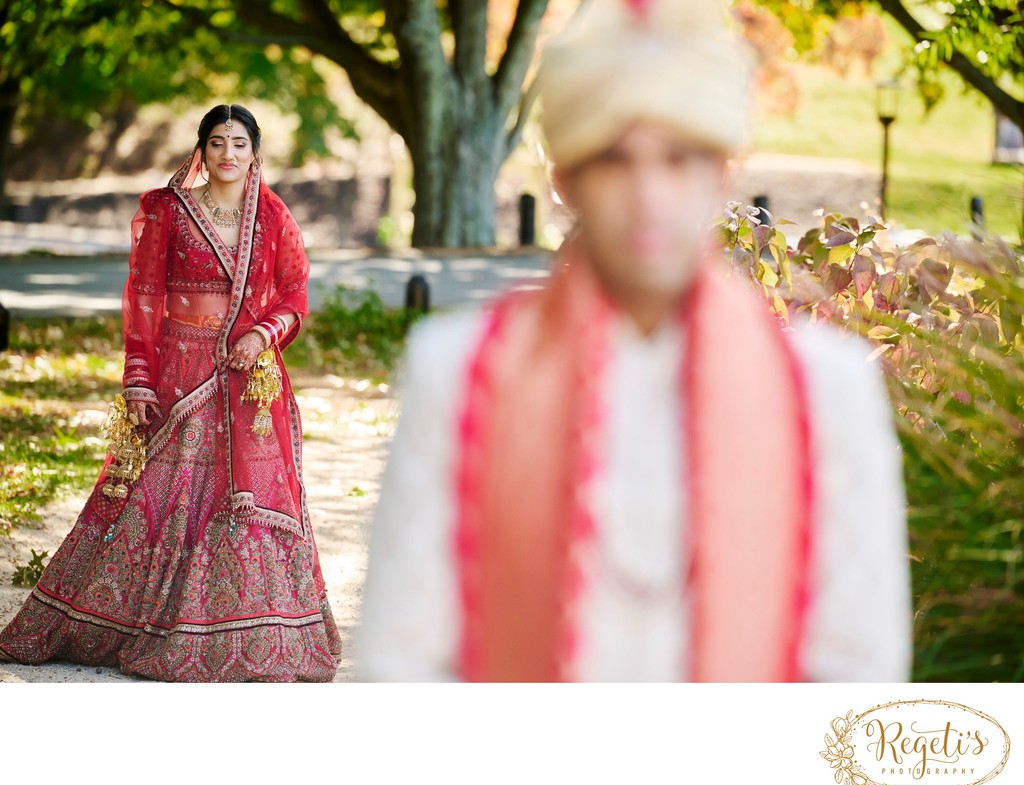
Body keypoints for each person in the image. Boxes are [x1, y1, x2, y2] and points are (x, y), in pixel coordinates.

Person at [354, 0, 913, 682]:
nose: (650, 195)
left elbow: (857, 667)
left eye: (679, 160)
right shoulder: (461, 370)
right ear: (566, 181)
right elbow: (402, 656)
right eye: (616, 161)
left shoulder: (826, 386)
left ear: (723, 174)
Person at [0, 104, 342, 682]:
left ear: (255, 151)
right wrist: (138, 375)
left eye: (238, 143)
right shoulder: (168, 210)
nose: (227, 154)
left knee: (248, 501)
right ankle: (145, 622)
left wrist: (262, 334)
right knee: (168, 494)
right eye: (216, 143)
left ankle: (260, 628)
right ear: (201, 151)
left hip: (250, 381)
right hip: (182, 373)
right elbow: (145, 298)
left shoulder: (273, 216)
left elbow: (294, 294)